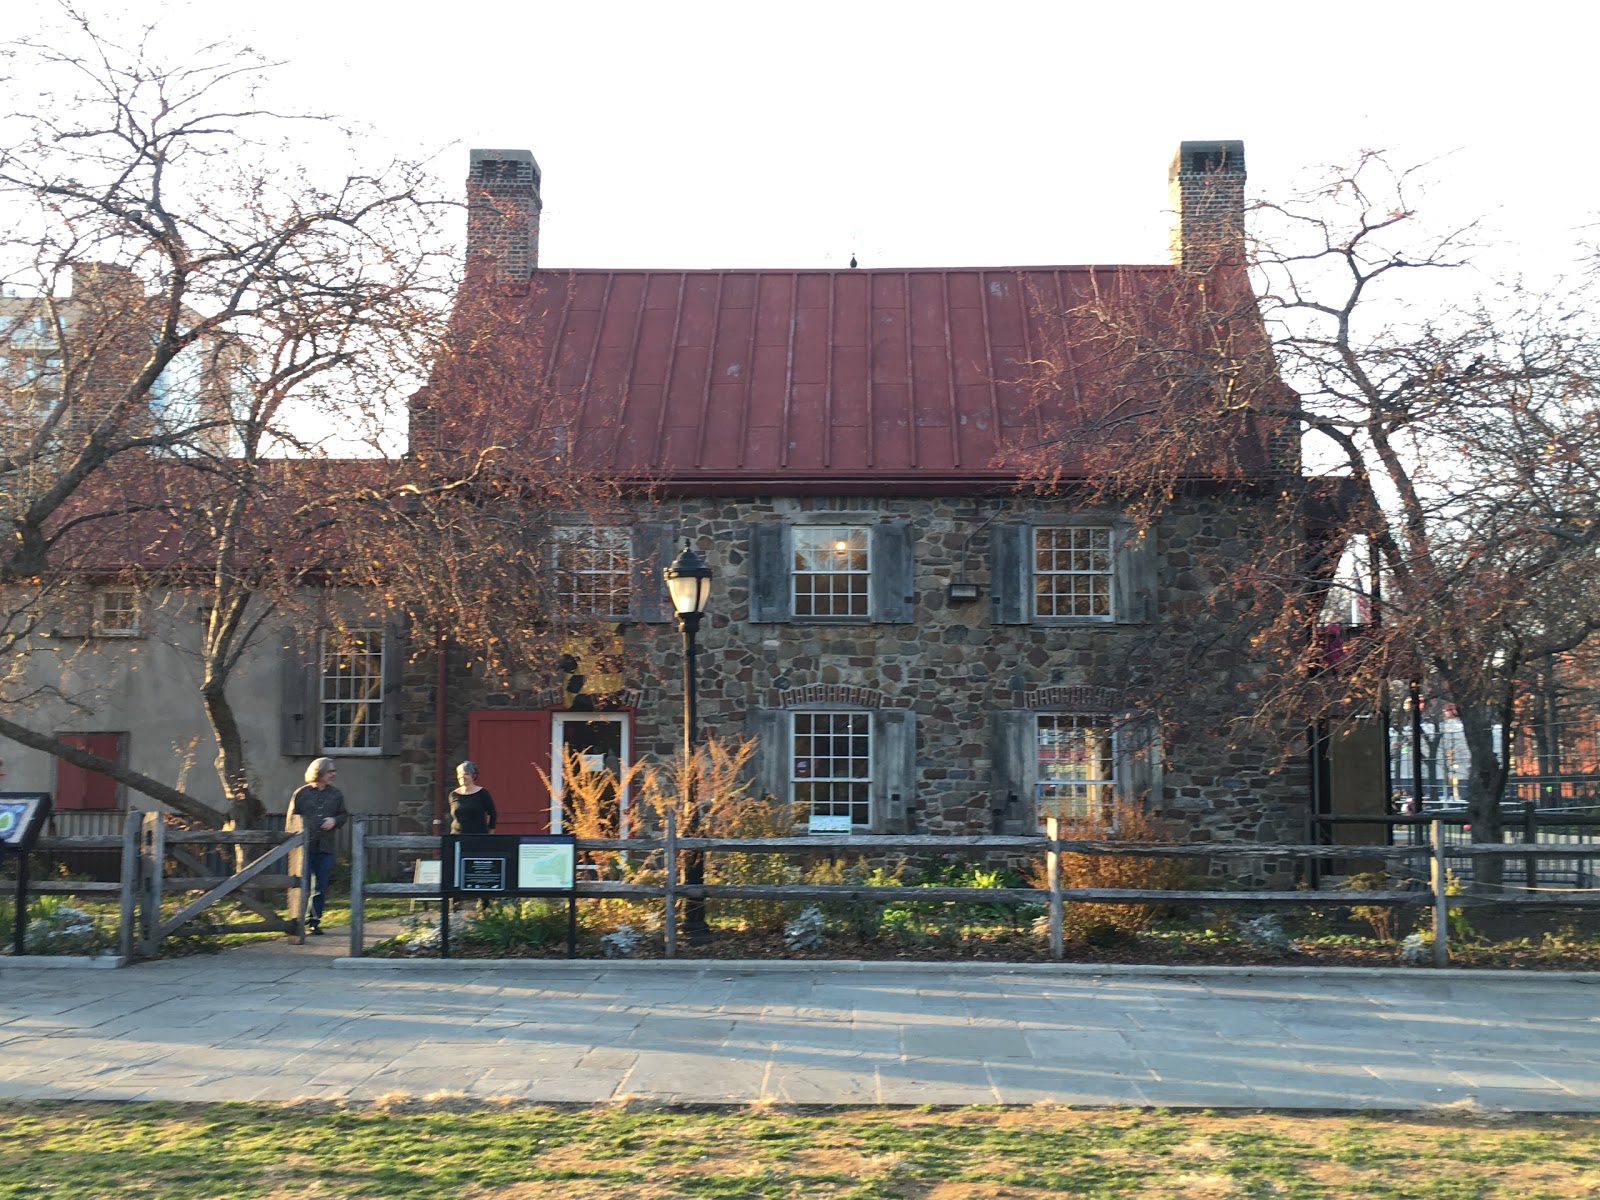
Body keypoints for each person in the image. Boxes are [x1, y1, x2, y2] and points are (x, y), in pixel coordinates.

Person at [287, 757, 348, 935]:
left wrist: (334, 821)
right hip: (303, 846)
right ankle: (297, 922)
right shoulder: (301, 793)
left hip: (325, 846)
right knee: (301, 885)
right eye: (330, 771)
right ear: (319, 772)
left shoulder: (336, 794)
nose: (333, 774)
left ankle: (314, 921)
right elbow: (291, 819)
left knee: (320, 886)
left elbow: (343, 815)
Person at [449, 761, 498, 835]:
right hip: (456, 837)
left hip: (478, 837)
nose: (462, 776)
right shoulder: (453, 795)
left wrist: (490, 835)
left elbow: (492, 814)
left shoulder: (482, 793)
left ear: (473, 776)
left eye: (466, 774)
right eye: (459, 773)